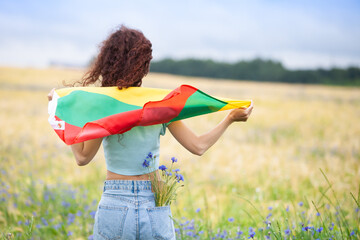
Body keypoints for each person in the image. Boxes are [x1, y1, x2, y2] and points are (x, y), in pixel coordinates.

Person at [48, 25, 253, 240]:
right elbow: (198, 147)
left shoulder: (103, 106)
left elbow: (82, 157)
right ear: (143, 64)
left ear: (107, 62)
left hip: (115, 203)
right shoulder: (159, 106)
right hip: (154, 203)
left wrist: (61, 111)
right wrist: (229, 119)